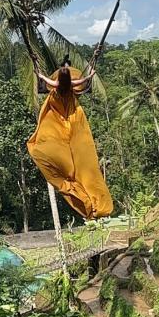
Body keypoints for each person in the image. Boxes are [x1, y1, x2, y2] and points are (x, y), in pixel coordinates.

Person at [27, 64, 113, 220]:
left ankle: (87, 200)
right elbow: (85, 80)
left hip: (60, 110)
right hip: (64, 109)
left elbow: (44, 79)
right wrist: (91, 74)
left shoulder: (56, 84)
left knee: (41, 147)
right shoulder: (70, 84)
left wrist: (38, 72)